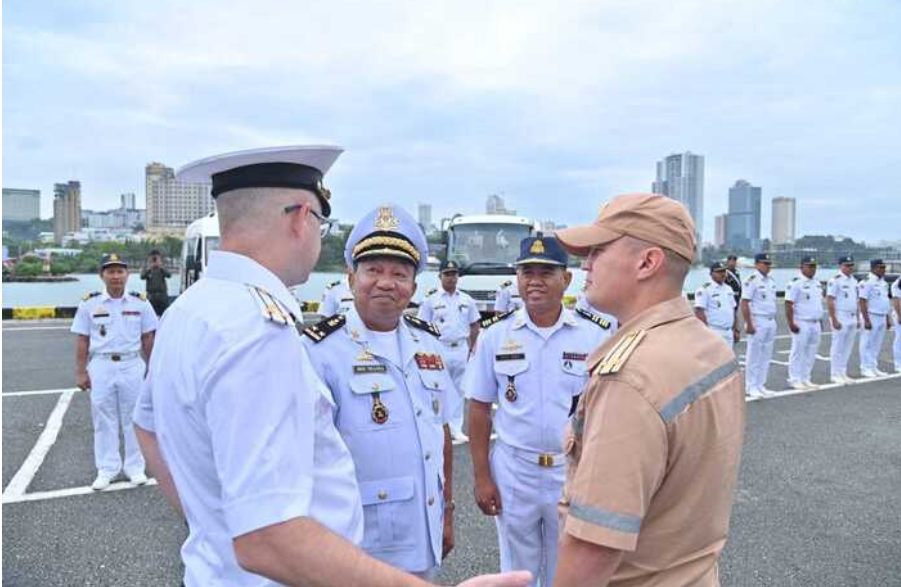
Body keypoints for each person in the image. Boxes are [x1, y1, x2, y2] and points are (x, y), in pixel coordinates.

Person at [132, 146, 529, 587]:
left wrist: (213, 523)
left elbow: (147, 428)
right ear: (302, 217)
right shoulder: (257, 329)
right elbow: (266, 539)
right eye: (321, 222)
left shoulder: (190, 309)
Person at [553, 193, 745, 587]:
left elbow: (594, 546)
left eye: (598, 250)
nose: (585, 263)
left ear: (647, 262)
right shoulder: (710, 348)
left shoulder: (630, 378)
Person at [303, 204, 456, 579]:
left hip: (422, 530)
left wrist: (447, 512)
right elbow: (302, 453)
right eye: (373, 270)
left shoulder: (428, 344)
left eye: (399, 273)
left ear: (414, 287)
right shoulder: (319, 351)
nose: (386, 282)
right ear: (350, 278)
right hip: (355, 540)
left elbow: (441, 432)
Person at [464, 236, 614, 587]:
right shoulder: (495, 335)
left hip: (572, 469)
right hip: (516, 469)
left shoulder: (594, 335)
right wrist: (482, 477)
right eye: (526, 272)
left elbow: (608, 411)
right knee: (517, 570)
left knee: (569, 567)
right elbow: (479, 409)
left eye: (546, 272)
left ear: (566, 279)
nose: (535, 281)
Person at [72, 253, 158, 490]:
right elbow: (82, 339)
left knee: (135, 418)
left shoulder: (141, 302)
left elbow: (149, 338)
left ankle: (135, 467)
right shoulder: (89, 303)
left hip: (132, 364)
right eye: (111, 271)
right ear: (102, 275)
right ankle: (107, 469)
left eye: (120, 271)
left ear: (127, 275)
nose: (116, 276)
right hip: (101, 364)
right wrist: (80, 372)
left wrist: (153, 369)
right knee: (103, 419)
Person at [418, 259, 481, 441]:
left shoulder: (466, 299)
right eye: (447, 274)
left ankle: (456, 427)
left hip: (461, 347)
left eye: (454, 274)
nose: (451, 277)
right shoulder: (431, 299)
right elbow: (423, 326)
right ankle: (438, 425)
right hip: (439, 347)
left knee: (460, 390)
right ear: (439, 276)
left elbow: (474, 325)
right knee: (438, 387)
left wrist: (472, 348)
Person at [741, 253, 778, 398]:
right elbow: (745, 303)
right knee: (754, 355)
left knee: (766, 355)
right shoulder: (752, 280)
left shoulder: (771, 281)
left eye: (769, 264)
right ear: (756, 264)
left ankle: (761, 384)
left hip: (770, 320)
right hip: (758, 320)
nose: (768, 266)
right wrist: (749, 323)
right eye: (764, 263)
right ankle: (750, 386)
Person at [785, 256, 825, 390]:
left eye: (814, 266)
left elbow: (817, 304)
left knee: (811, 351)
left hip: (815, 322)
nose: (812, 269)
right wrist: (791, 323)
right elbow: (788, 304)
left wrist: (820, 321)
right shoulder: (796, 283)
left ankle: (805, 378)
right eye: (809, 266)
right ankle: (794, 379)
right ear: (801, 267)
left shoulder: (817, 283)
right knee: (798, 351)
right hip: (801, 321)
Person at [826, 256, 859, 384]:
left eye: (851, 265)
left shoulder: (854, 281)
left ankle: (843, 372)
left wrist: (857, 317)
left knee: (847, 347)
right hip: (841, 316)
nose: (850, 268)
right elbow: (830, 300)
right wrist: (833, 318)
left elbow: (854, 300)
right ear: (840, 266)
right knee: (838, 346)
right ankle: (835, 374)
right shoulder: (835, 280)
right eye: (847, 265)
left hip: (851, 316)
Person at [693, 261, 740, 347]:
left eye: (723, 271)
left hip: (728, 332)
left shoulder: (728, 289)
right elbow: (699, 311)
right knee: (713, 359)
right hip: (714, 331)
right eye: (719, 272)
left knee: (729, 360)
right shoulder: (704, 289)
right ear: (711, 273)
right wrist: (705, 331)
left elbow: (733, 310)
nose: (722, 274)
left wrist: (735, 329)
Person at [858, 259, 891, 377]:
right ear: (873, 268)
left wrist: (887, 318)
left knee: (877, 344)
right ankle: (865, 367)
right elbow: (862, 301)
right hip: (871, 315)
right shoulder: (866, 282)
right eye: (880, 267)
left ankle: (873, 366)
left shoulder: (884, 283)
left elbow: (885, 301)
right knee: (867, 343)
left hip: (881, 316)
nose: (883, 270)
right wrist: (866, 319)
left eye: (884, 267)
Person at [140, 249, 172, 316]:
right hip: (151, 296)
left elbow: (169, 275)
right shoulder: (147, 266)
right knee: (150, 316)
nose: (154, 260)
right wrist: (149, 268)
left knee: (165, 316)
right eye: (153, 258)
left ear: (159, 257)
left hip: (162, 296)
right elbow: (142, 277)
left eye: (156, 257)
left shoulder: (162, 266)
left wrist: (161, 267)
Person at [891, 275, 901, 372]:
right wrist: (899, 315)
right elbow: (896, 301)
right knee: (899, 339)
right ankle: (898, 364)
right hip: (899, 313)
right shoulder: (897, 284)